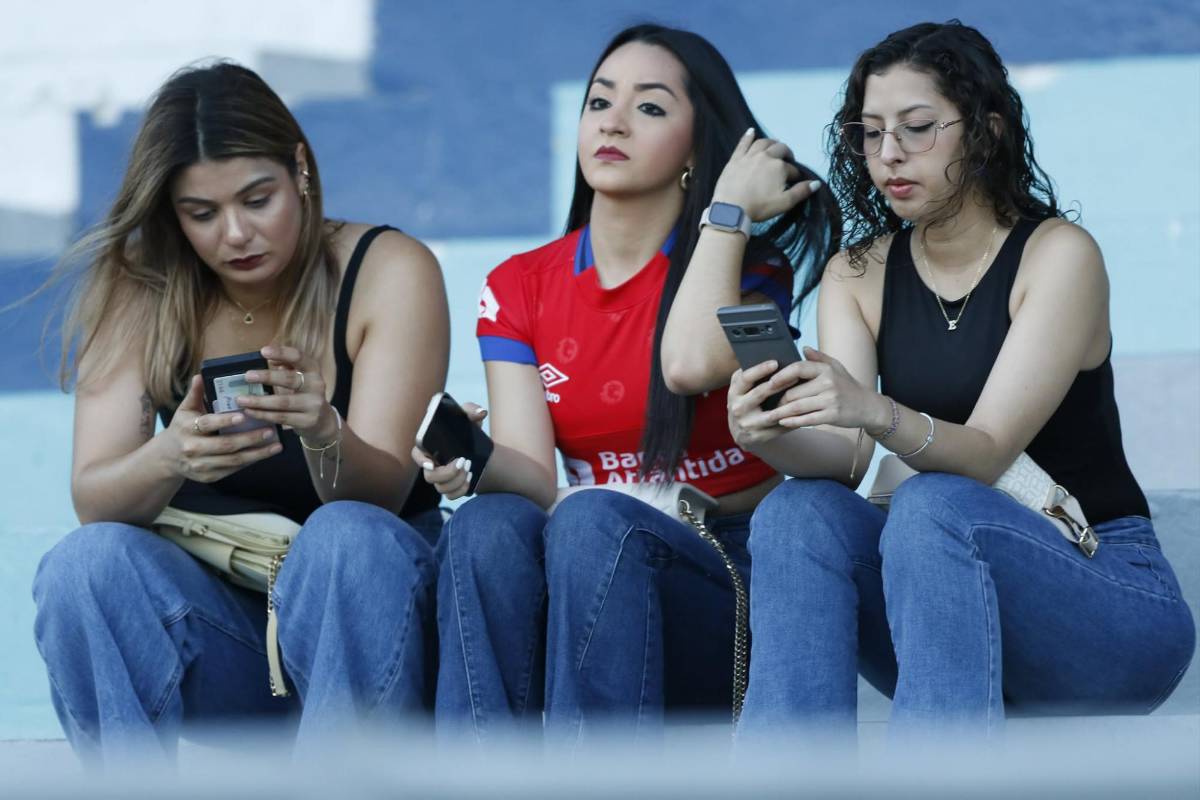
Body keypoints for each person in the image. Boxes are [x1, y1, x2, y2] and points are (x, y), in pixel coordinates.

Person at [728, 20, 1195, 740]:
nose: (888, 155)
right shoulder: (858, 273)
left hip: (1104, 595)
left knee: (934, 501)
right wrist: (767, 435)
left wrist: (875, 411)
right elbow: (847, 456)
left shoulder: (1058, 257)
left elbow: (985, 450)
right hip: (938, 590)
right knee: (796, 512)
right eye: (869, 132)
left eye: (917, 128)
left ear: (987, 132)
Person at [417, 23, 839, 745]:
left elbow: (692, 364)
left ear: (697, 149)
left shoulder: (753, 271)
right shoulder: (518, 285)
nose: (611, 121)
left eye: (648, 108)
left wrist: (726, 217)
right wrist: (472, 464)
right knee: (488, 526)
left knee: (588, 521)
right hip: (585, 564)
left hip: (721, 570)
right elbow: (534, 475)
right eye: (598, 102)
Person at [32, 62, 450, 766]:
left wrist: (324, 433)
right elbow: (94, 499)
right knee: (84, 565)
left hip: (374, 628)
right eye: (202, 214)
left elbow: (382, 497)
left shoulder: (386, 268)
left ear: (300, 170)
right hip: (233, 638)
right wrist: (172, 456)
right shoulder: (144, 291)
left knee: (345, 535)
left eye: (258, 199)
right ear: (172, 214)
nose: (236, 235)